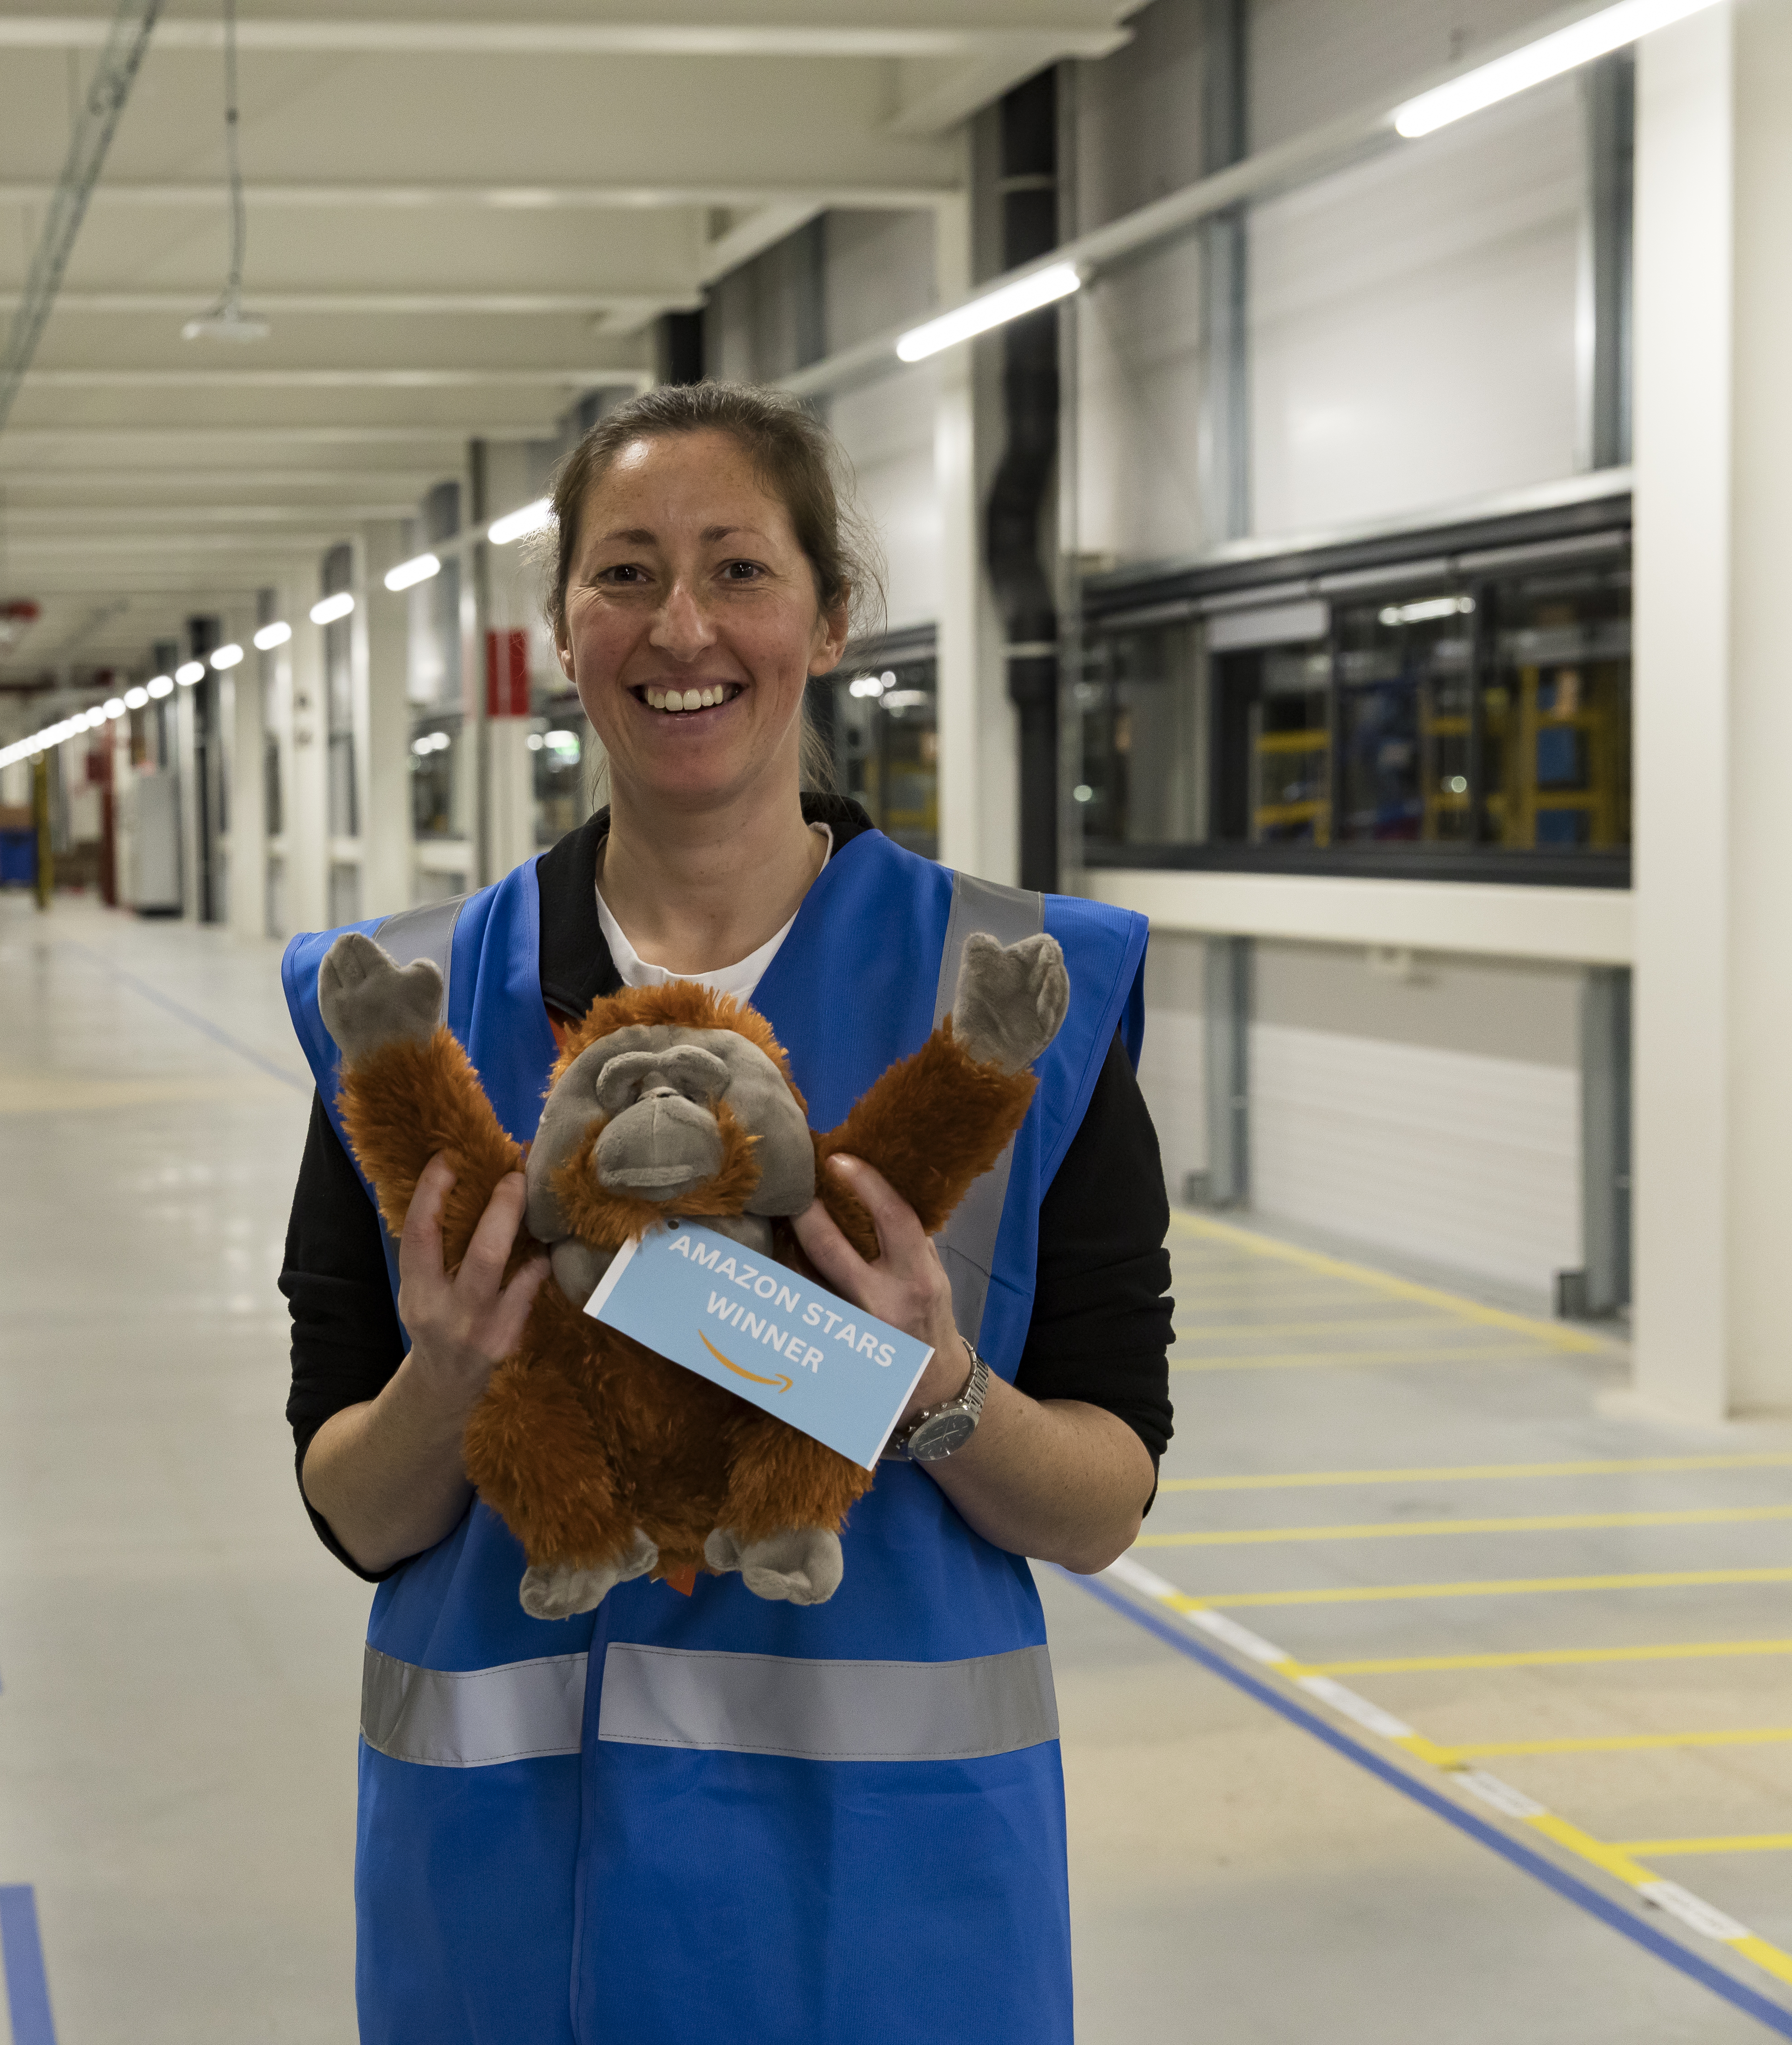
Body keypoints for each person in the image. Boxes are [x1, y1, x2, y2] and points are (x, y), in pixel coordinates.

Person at [275, 382, 1173, 2045]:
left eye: (739, 570)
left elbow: (1104, 1502)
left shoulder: (1020, 996)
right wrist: (450, 1381)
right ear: (559, 629)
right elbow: (355, 1508)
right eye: (623, 572)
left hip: (888, 1932)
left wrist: (935, 1394)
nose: (680, 625)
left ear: (831, 619)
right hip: (512, 1929)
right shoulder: (412, 1008)